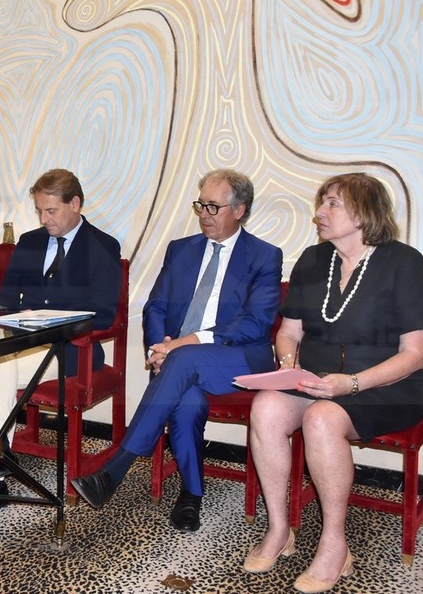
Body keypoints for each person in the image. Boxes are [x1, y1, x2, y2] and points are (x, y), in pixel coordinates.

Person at [244, 173, 423, 593]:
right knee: (266, 406)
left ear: (364, 214)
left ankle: (334, 544)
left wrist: (351, 383)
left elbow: (415, 354)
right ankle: (279, 529)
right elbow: (288, 332)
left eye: (332, 203)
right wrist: (290, 366)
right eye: (322, 202)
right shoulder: (314, 261)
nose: (320, 212)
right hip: (317, 381)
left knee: (321, 418)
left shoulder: (404, 263)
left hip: (389, 387)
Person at [72, 169, 283, 533]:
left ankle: (116, 468)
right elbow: (155, 306)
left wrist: (182, 345)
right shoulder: (181, 250)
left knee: (183, 359)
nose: (204, 214)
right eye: (201, 204)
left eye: (214, 207)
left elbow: (256, 323)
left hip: (239, 359)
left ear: (240, 210)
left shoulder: (264, 256)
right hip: (179, 361)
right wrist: (160, 349)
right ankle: (191, 494)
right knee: (187, 403)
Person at [0, 169, 122, 515]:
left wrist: (54, 318)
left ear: (75, 204)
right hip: (24, 345)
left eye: (51, 211)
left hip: (72, 349)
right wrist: (13, 315)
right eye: (39, 211)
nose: (44, 219)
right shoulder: (30, 242)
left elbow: (105, 315)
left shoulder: (103, 247)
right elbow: (4, 298)